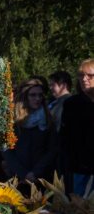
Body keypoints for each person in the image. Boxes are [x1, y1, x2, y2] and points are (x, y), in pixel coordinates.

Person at [2, 79, 58, 183]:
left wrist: (35, 172)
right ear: (25, 97)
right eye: (33, 95)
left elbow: (52, 150)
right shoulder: (13, 121)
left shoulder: (47, 120)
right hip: (17, 177)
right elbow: (7, 150)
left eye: (40, 95)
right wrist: (23, 173)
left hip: (42, 178)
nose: (37, 98)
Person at [61, 58, 94, 196]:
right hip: (80, 169)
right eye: (81, 75)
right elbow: (65, 138)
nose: (84, 79)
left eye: (90, 75)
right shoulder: (71, 104)